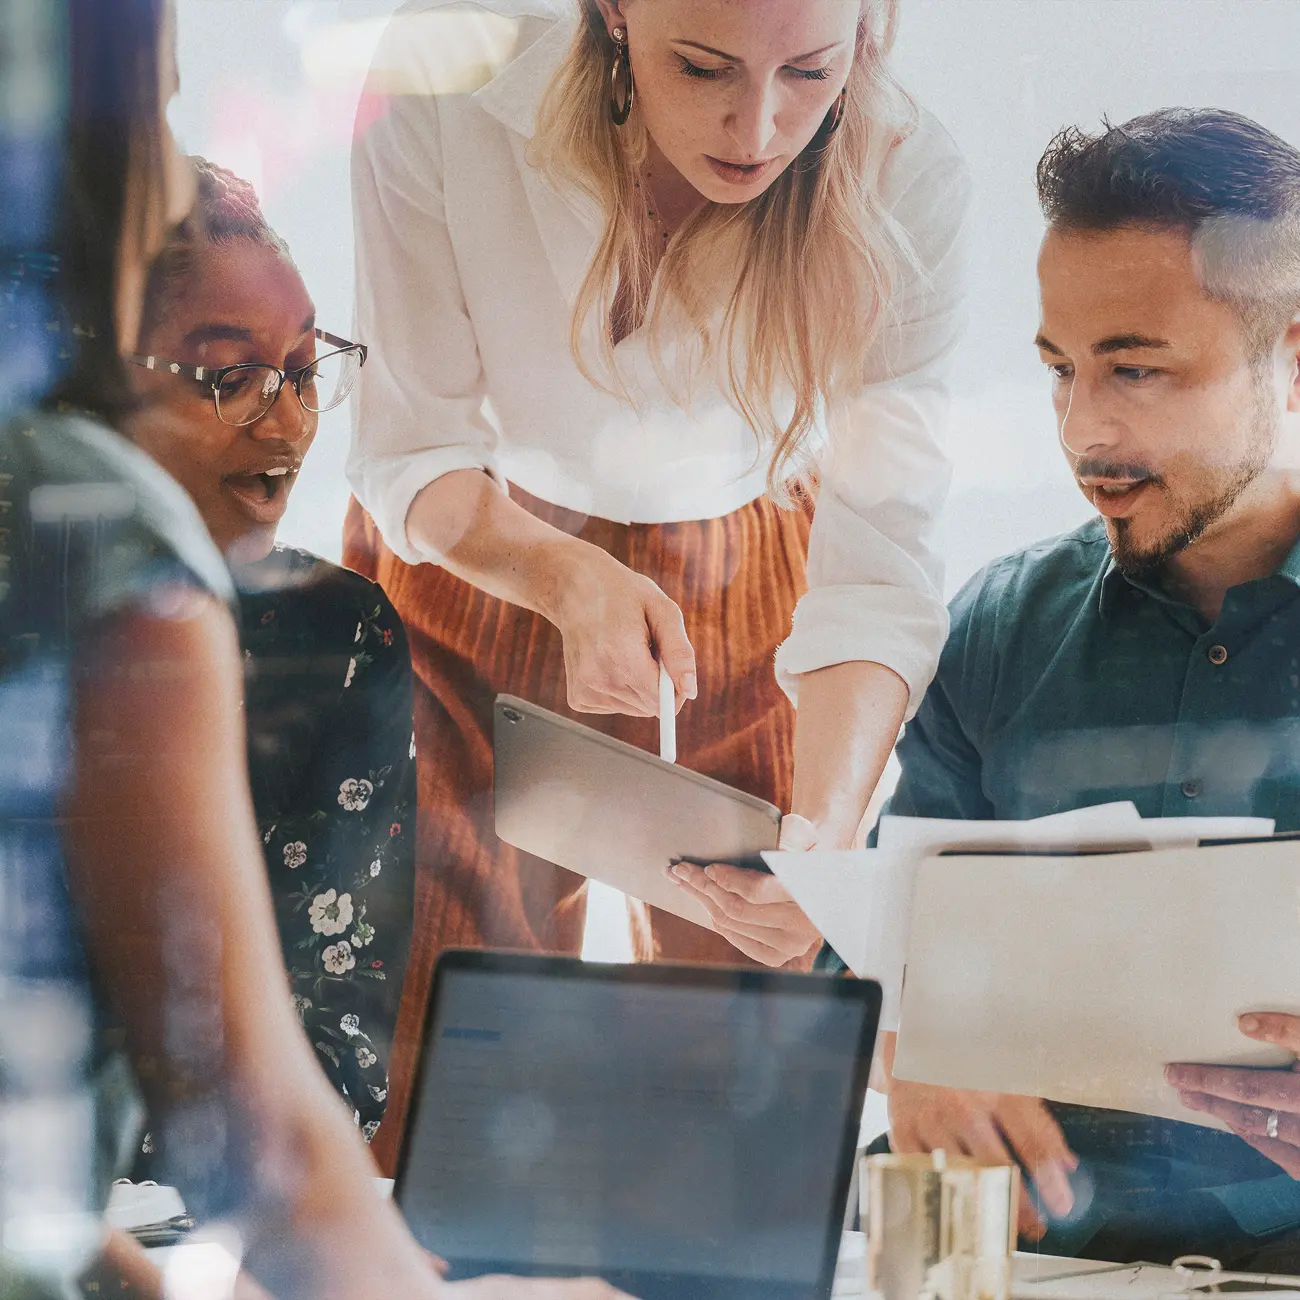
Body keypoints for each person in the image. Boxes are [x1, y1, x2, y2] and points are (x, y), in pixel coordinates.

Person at [0, 1, 626, 1296]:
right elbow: (268, 1145)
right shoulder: (109, 548)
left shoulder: (315, 624)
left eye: (302, 368)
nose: (279, 419)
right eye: (151, 106)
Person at [346, 0, 969, 1167]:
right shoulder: (446, 62)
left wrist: (827, 839)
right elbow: (406, 451)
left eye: (810, 70)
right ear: (612, 12)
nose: (758, 123)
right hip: (472, 556)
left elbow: (878, 564)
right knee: (428, 1082)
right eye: (703, 66)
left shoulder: (910, 174)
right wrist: (558, 573)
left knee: (749, 1108)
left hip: (760, 592)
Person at [863, 108, 1300, 1269]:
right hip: (1016, 1255)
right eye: (1060, 369)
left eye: (1136, 370)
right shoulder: (997, 630)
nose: (1084, 429)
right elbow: (878, 934)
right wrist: (908, 1037)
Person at [123, 157, 415, 1146]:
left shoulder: (337, 637)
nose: (287, 423)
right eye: (230, 376)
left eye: (301, 369)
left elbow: (336, 1054)